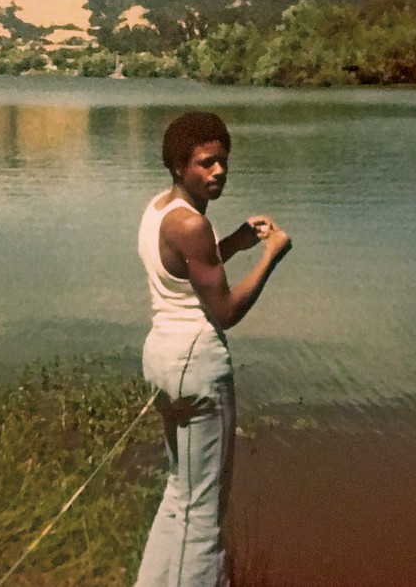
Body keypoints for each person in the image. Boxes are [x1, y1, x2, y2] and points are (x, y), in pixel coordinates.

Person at [135, 111, 292, 587]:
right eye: (205, 164)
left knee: (180, 494)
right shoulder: (192, 226)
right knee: (203, 517)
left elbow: (186, 269)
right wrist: (270, 257)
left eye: (222, 162)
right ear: (179, 166)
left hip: (162, 359)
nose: (218, 172)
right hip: (198, 366)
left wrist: (239, 242)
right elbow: (224, 311)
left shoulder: (160, 209)